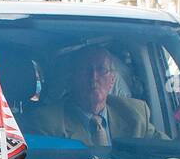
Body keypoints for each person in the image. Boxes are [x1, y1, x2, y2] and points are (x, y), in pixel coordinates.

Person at [30, 45, 159, 145]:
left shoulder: (135, 114)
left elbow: (167, 150)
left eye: (102, 70)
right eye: (85, 70)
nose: (94, 78)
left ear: (112, 80)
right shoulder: (48, 122)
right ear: (72, 79)